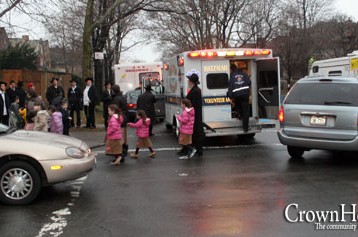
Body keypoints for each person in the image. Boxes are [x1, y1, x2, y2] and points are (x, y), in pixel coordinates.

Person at [227, 64, 251, 132]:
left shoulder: (232, 76)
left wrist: (230, 96)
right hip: (245, 94)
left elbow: (230, 87)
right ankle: (245, 128)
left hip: (237, 95)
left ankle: (239, 115)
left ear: (231, 69)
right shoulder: (243, 74)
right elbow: (249, 82)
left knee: (238, 105)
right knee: (246, 112)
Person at [186, 71, 204, 157]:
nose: (188, 82)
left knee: (197, 132)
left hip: (195, 115)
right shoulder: (195, 89)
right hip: (195, 114)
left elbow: (194, 103)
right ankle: (197, 148)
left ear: (192, 82)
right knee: (196, 132)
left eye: (189, 80)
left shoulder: (195, 91)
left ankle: (198, 149)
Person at [112, 84, 129, 160]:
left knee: (119, 135)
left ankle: (121, 152)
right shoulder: (123, 97)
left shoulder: (116, 99)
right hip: (124, 116)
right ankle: (125, 148)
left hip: (119, 117)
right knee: (124, 134)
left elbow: (115, 109)